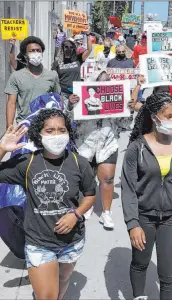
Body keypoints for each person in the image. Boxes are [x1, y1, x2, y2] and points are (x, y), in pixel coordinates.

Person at [0, 109, 96, 299]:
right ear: (39, 134)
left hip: (72, 242)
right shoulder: (27, 162)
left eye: (61, 129)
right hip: (39, 243)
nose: (56, 135)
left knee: (62, 281)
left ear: (68, 132)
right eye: (49, 131)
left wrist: (76, 214)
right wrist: (1, 149)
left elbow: (90, 195)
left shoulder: (79, 163)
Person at [121, 93, 172, 300]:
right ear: (154, 117)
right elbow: (128, 188)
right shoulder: (136, 149)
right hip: (144, 217)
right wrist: (133, 223)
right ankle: (138, 296)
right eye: (168, 116)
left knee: (169, 275)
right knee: (140, 263)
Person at [66, 69, 132, 228]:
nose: (104, 85)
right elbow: (68, 121)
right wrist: (70, 105)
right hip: (85, 143)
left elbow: (124, 125)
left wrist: (128, 109)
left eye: (107, 82)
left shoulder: (117, 99)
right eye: (100, 82)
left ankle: (106, 213)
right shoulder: (80, 98)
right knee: (86, 179)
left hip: (108, 143)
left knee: (108, 178)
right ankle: (86, 206)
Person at [5, 36, 61, 128]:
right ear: (25, 55)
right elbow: (11, 103)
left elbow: (57, 99)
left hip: (46, 126)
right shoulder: (16, 77)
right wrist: (9, 126)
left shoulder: (52, 75)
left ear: (42, 53)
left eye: (38, 50)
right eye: (32, 51)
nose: (36, 53)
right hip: (24, 126)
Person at [52, 33, 92, 106]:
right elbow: (53, 79)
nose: (68, 49)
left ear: (74, 49)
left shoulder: (78, 59)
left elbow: (89, 50)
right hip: (63, 94)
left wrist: (88, 36)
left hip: (76, 93)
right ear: (63, 49)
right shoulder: (57, 62)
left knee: (76, 115)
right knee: (65, 114)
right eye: (66, 47)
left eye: (71, 47)